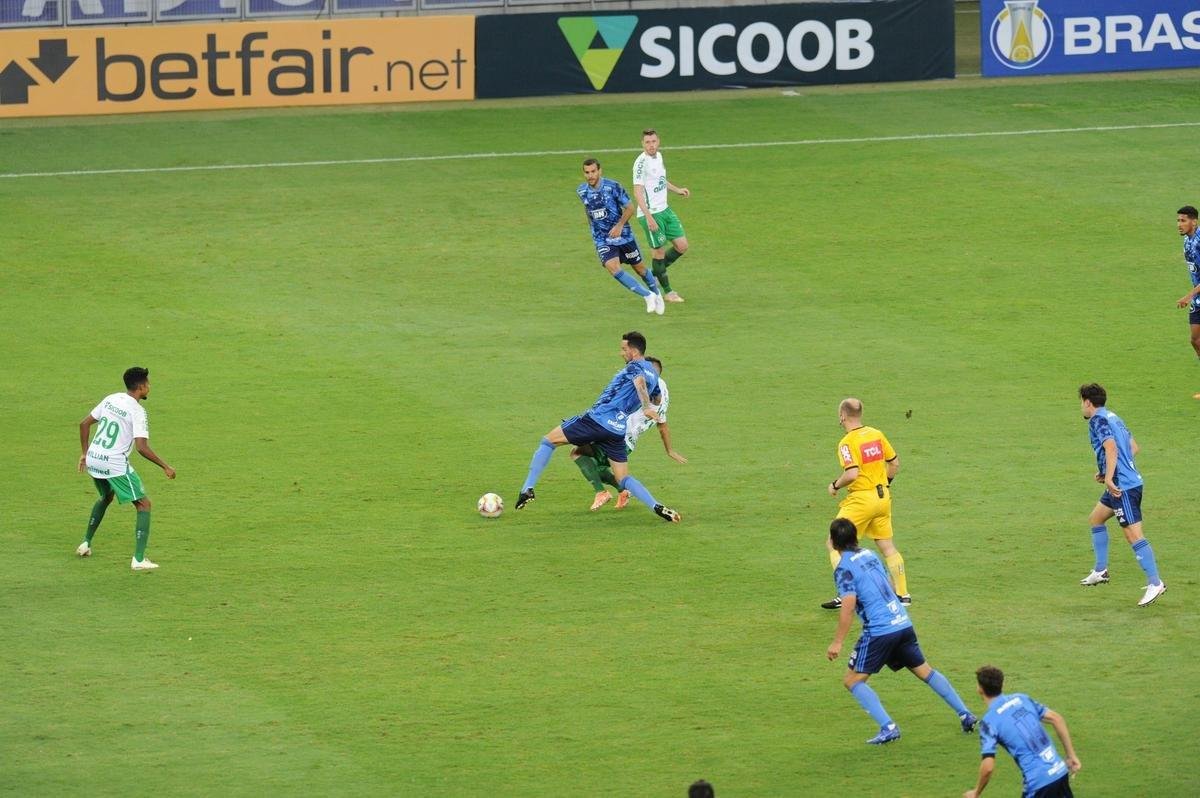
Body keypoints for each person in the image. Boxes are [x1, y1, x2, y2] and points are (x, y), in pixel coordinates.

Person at [825, 518, 977, 745]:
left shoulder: (843, 568)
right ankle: (965, 713)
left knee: (852, 681)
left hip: (880, 631)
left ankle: (889, 727)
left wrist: (837, 642)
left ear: (834, 541)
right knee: (925, 671)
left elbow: (847, 605)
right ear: (856, 537)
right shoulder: (868, 554)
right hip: (901, 622)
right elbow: (890, 583)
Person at [516, 332, 680, 522]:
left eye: (624, 349)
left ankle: (527, 488)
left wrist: (643, 407)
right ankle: (656, 506)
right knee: (623, 478)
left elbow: (639, 383)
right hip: (617, 430)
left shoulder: (636, 366)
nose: (621, 353)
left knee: (548, 441)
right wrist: (647, 406)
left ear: (634, 351)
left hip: (597, 419)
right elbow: (657, 399)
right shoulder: (655, 377)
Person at [76, 366, 176, 571]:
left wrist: (85, 453)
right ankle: (138, 560)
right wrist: (165, 466)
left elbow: (84, 424)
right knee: (144, 504)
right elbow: (141, 447)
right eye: (147, 383)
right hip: (114, 463)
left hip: (95, 458)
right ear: (140, 387)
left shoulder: (111, 398)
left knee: (106, 496)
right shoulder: (137, 411)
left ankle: (85, 543)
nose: (149, 386)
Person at [1077, 383, 1166, 606]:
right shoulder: (1114, 417)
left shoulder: (1098, 420)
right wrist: (1107, 471)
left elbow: (1111, 448)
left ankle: (1155, 583)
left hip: (1122, 487)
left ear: (1088, 402)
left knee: (1133, 535)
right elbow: (1133, 447)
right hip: (1124, 482)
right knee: (1096, 518)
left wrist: (1109, 477)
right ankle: (1100, 570)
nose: (1081, 407)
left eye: (1081, 403)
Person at [570, 356, 687, 511]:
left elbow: (645, 394)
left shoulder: (650, 388)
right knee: (583, 453)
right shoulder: (663, 390)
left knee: (580, 456)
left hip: (615, 435)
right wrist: (669, 450)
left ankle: (603, 492)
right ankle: (621, 490)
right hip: (627, 441)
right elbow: (662, 425)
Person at [822, 398, 907, 610]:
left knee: (835, 543)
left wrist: (835, 485)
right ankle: (902, 595)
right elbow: (894, 463)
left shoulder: (847, 443)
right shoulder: (876, 434)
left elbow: (852, 473)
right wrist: (885, 484)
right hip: (882, 498)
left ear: (842, 416)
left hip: (860, 500)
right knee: (887, 545)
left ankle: (847, 593)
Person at [963, 665, 1081, 798]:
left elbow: (988, 767)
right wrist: (1071, 755)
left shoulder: (989, 722)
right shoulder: (1022, 699)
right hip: (1059, 771)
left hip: (1038, 783)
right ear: (1003, 684)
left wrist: (976, 792)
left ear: (980, 689)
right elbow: (1056, 719)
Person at [577, 158, 664, 315]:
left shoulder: (613, 187)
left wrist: (619, 226)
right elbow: (587, 209)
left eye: (593, 172)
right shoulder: (582, 191)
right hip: (602, 239)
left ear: (599, 171)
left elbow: (630, 208)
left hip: (623, 237)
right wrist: (593, 231)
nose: (590, 175)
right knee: (613, 268)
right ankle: (647, 296)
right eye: (587, 172)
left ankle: (657, 294)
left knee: (640, 270)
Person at [632, 129, 690, 303]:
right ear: (642, 144)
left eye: (653, 141)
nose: (651, 145)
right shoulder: (640, 163)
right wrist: (649, 217)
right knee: (658, 252)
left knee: (682, 246)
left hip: (665, 210)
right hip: (651, 214)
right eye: (647, 142)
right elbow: (637, 192)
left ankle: (654, 274)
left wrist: (677, 190)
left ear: (659, 142)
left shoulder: (659, 157)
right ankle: (668, 292)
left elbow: (661, 180)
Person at [1175, 206, 1200, 397]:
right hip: (1198, 298)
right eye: (1178, 220)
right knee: (1195, 339)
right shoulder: (1186, 241)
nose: (1179, 224)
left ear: (1194, 221)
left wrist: (1188, 295)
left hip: (1195, 295)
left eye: (1183, 220)